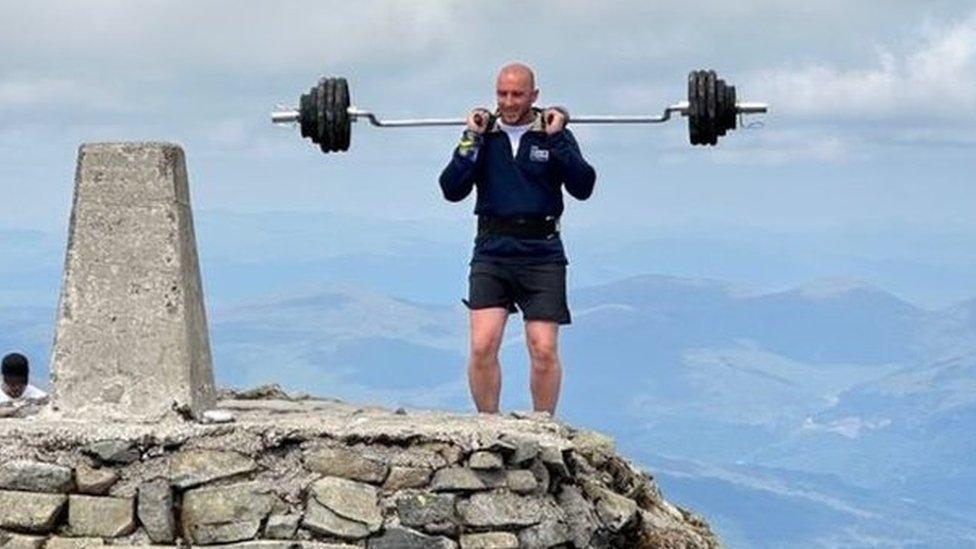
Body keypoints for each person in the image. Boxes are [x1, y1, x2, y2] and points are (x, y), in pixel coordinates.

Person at [438, 62, 596, 415]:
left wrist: (557, 139)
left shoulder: (552, 135)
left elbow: (583, 186)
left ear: (533, 96)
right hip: (492, 251)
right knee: (482, 346)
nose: (509, 102)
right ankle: (488, 427)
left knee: (542, 349)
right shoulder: (482, 135)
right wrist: (471, 139)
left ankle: (543, 425)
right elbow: (451, 189)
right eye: (502, 94)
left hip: (542, 253)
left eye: (517, 94)